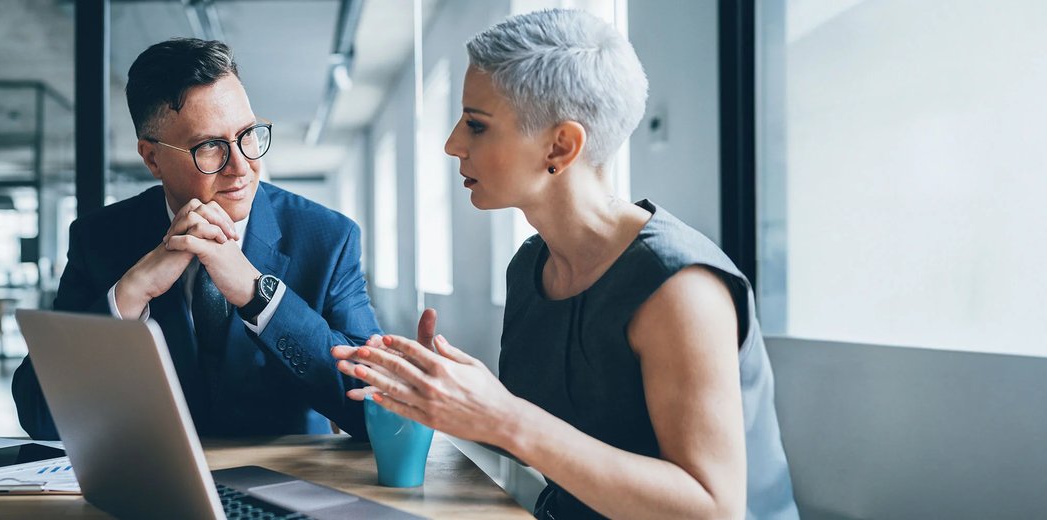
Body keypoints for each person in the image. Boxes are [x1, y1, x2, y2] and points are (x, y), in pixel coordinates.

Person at [331, 9, 798, 519]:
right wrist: (444, 394)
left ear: (561, 145)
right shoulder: (531, 267)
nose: (452, 145)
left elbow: (711, 509)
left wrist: (502, 416)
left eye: (476, 125)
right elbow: (555, 443)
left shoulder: (680, 288)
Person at [14, 38, 380, 440]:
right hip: (154, 485)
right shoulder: (99, 239)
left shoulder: (328, 238)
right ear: (152, 158)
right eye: (210, 147)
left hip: (289, 482)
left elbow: (372, 408)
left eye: (248, 134)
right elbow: (40, 415)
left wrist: (261, 297)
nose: (242, 167)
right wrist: (130, 294)